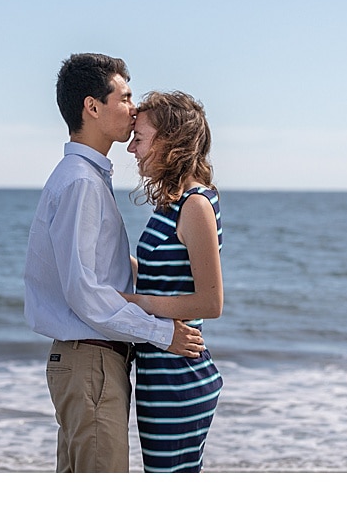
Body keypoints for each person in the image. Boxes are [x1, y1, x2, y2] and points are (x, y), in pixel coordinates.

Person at [23, 53, 205, 474]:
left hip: (90, 362)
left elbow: (98, 269)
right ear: (92, 107)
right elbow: (84, 291)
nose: (134, 107)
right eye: (124, 97)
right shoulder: (82, 182)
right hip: (92, 363)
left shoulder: (83, 177)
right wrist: (162, 334)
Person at [123, 90, 224, 473]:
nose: (132, 148)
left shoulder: (195, 205)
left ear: (170, 142)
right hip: (159, 372)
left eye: (141, 137)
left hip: (178, 379)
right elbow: (162, 276)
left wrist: (135, 304)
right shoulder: (171, 203)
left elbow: (210, 303)